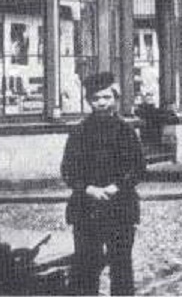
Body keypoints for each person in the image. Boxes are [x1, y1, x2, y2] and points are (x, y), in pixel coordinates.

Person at [61, 72, 144, 296]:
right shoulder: (79, 133)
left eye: (107, 97)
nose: (102, 103)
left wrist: (117, 186)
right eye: (96, 98)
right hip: (86, 208)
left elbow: (138, 167)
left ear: (115, 99)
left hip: (120, 208)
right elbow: (68, 169)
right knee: (86, 266)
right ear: (89, 101)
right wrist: (89, 189)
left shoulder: (126, 132)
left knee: (121, 266)